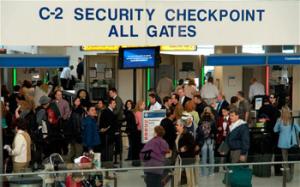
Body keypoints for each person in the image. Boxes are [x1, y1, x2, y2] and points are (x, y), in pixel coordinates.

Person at [273, 106, 300, 182]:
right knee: (292, 160)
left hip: (283, 143)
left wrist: (280, 129)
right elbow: (299, 129)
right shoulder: (293, 121)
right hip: (292, 143)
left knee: (285, 161)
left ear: (282, 112)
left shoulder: (279, 120)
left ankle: (287, 177)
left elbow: (275, 130)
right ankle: (291, 176)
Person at [174, 118, 197, 187]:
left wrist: (184, 148)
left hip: (187, 159)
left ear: (182, 126)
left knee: (188, 177)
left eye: (177, 125)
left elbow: (192, 144)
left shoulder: (187, 134)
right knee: (179, 177)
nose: (176, 126)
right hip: (180, 159)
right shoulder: (177, 134)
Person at [196, 107, 217, 176]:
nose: (207, 113)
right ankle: (204, 172)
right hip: (203, 139)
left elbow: (215, 130)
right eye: (206, 112)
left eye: (208, 112)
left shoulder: (212, 120)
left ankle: (210, 172)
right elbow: (198, 131)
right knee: (204, 155)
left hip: (210, 139)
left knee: (210, 155)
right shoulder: (201, 120)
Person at [65, 97, 85, 162]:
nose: (78, 102)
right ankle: (70, 167)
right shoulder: (72, 110)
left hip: (77, 134)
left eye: (79, 101)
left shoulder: (81, 111)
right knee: (72, 151)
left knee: (77, 152)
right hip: (72, 134)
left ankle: (75, 167)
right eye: (76, 101)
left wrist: (80, 133)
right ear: (74, 102)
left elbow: (80, 123)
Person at [99, 99, 117, 165]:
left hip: (109, 134)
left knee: (109, 149)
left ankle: (108, 163)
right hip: (107, 134)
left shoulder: (109, 111)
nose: (115, 104)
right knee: (108, 150)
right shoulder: (106, 112)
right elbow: (106, 124)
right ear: (109, 104)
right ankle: (108, 164)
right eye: (114, 103)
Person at [108, 88, 124, 161]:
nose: (109, 94)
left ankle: (118, 152)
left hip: (117, 120)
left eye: (110, 92)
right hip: (117, 120)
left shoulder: (117, 99)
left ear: (114, 92)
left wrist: (110, 114)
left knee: (117, 138)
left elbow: (117, 111)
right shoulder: (116, 99)